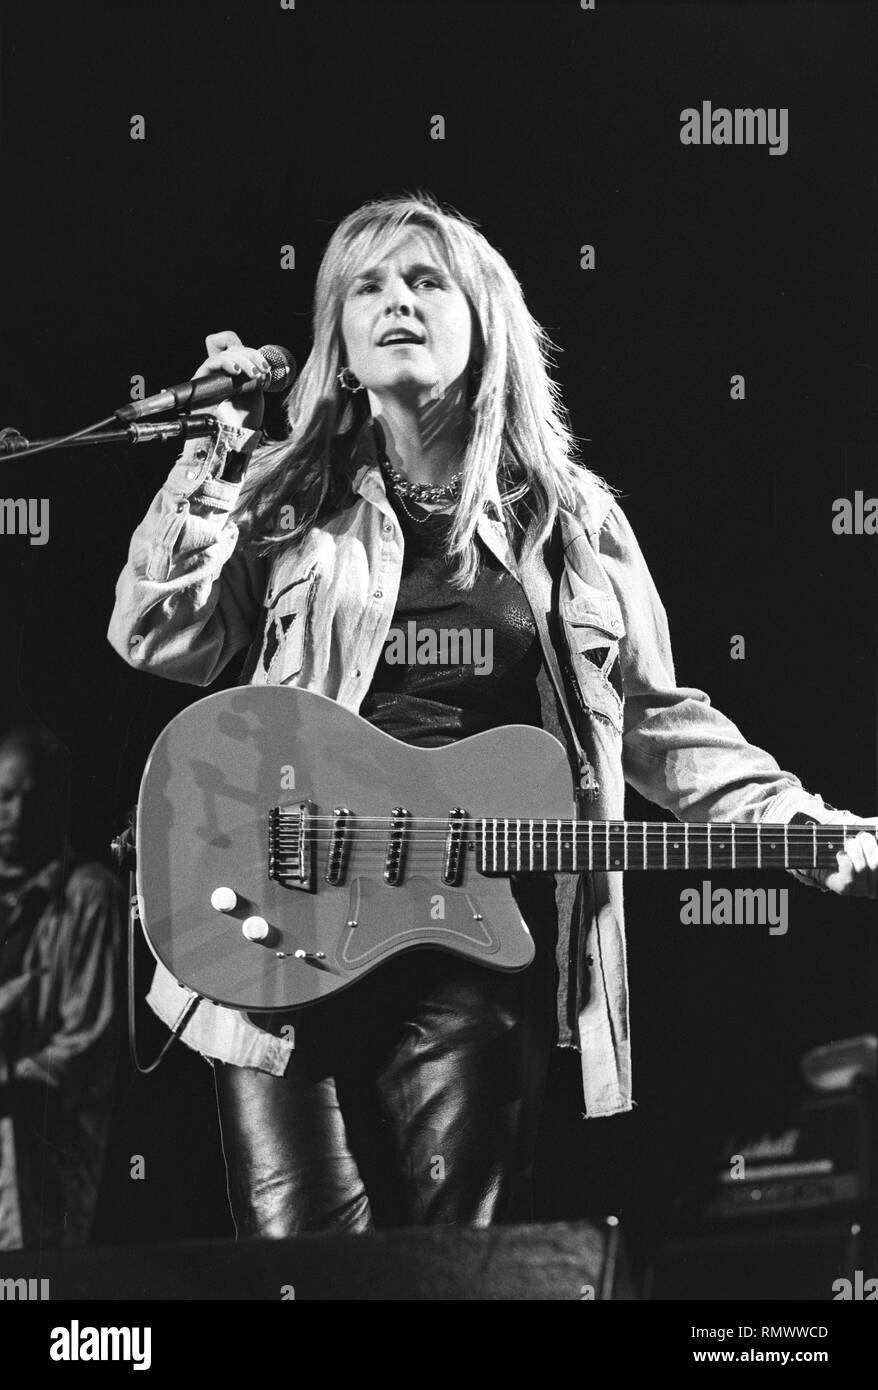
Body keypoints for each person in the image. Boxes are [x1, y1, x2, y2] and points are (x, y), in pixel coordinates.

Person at [108, 192, 877, 1237]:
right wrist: (210, 457)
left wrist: (783, 815)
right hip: (277, 919)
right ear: (336, 335)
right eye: (367, 287)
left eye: (426, 281)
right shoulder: (285, 497)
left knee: (448, 1259)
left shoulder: (570, 517)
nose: (397, 303)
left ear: (484, 320)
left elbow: (654, 718)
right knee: (297, 1261)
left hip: (468, 941)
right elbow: (159, 639)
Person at [0, 724, 122, 1249]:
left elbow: (89, 1046)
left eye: (35, 797)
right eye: (5, 797)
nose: (17, 814)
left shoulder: (93, 897)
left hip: (39, 1158)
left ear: (59, 801)